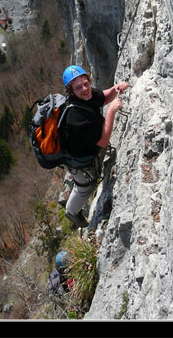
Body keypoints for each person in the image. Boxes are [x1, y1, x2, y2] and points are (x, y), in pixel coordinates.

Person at [61, 65, 129, 228]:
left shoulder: (87, 95)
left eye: (86, 83)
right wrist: (111, 111)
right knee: (85, 188)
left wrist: (115, 88)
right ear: (71, 91)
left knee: (88, 180)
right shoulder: (76, 117)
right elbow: (103, 141)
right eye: (79, 87)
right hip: (79, 161)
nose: (85, 89)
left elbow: (103, 97)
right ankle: (71, 212)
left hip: (86, 148)